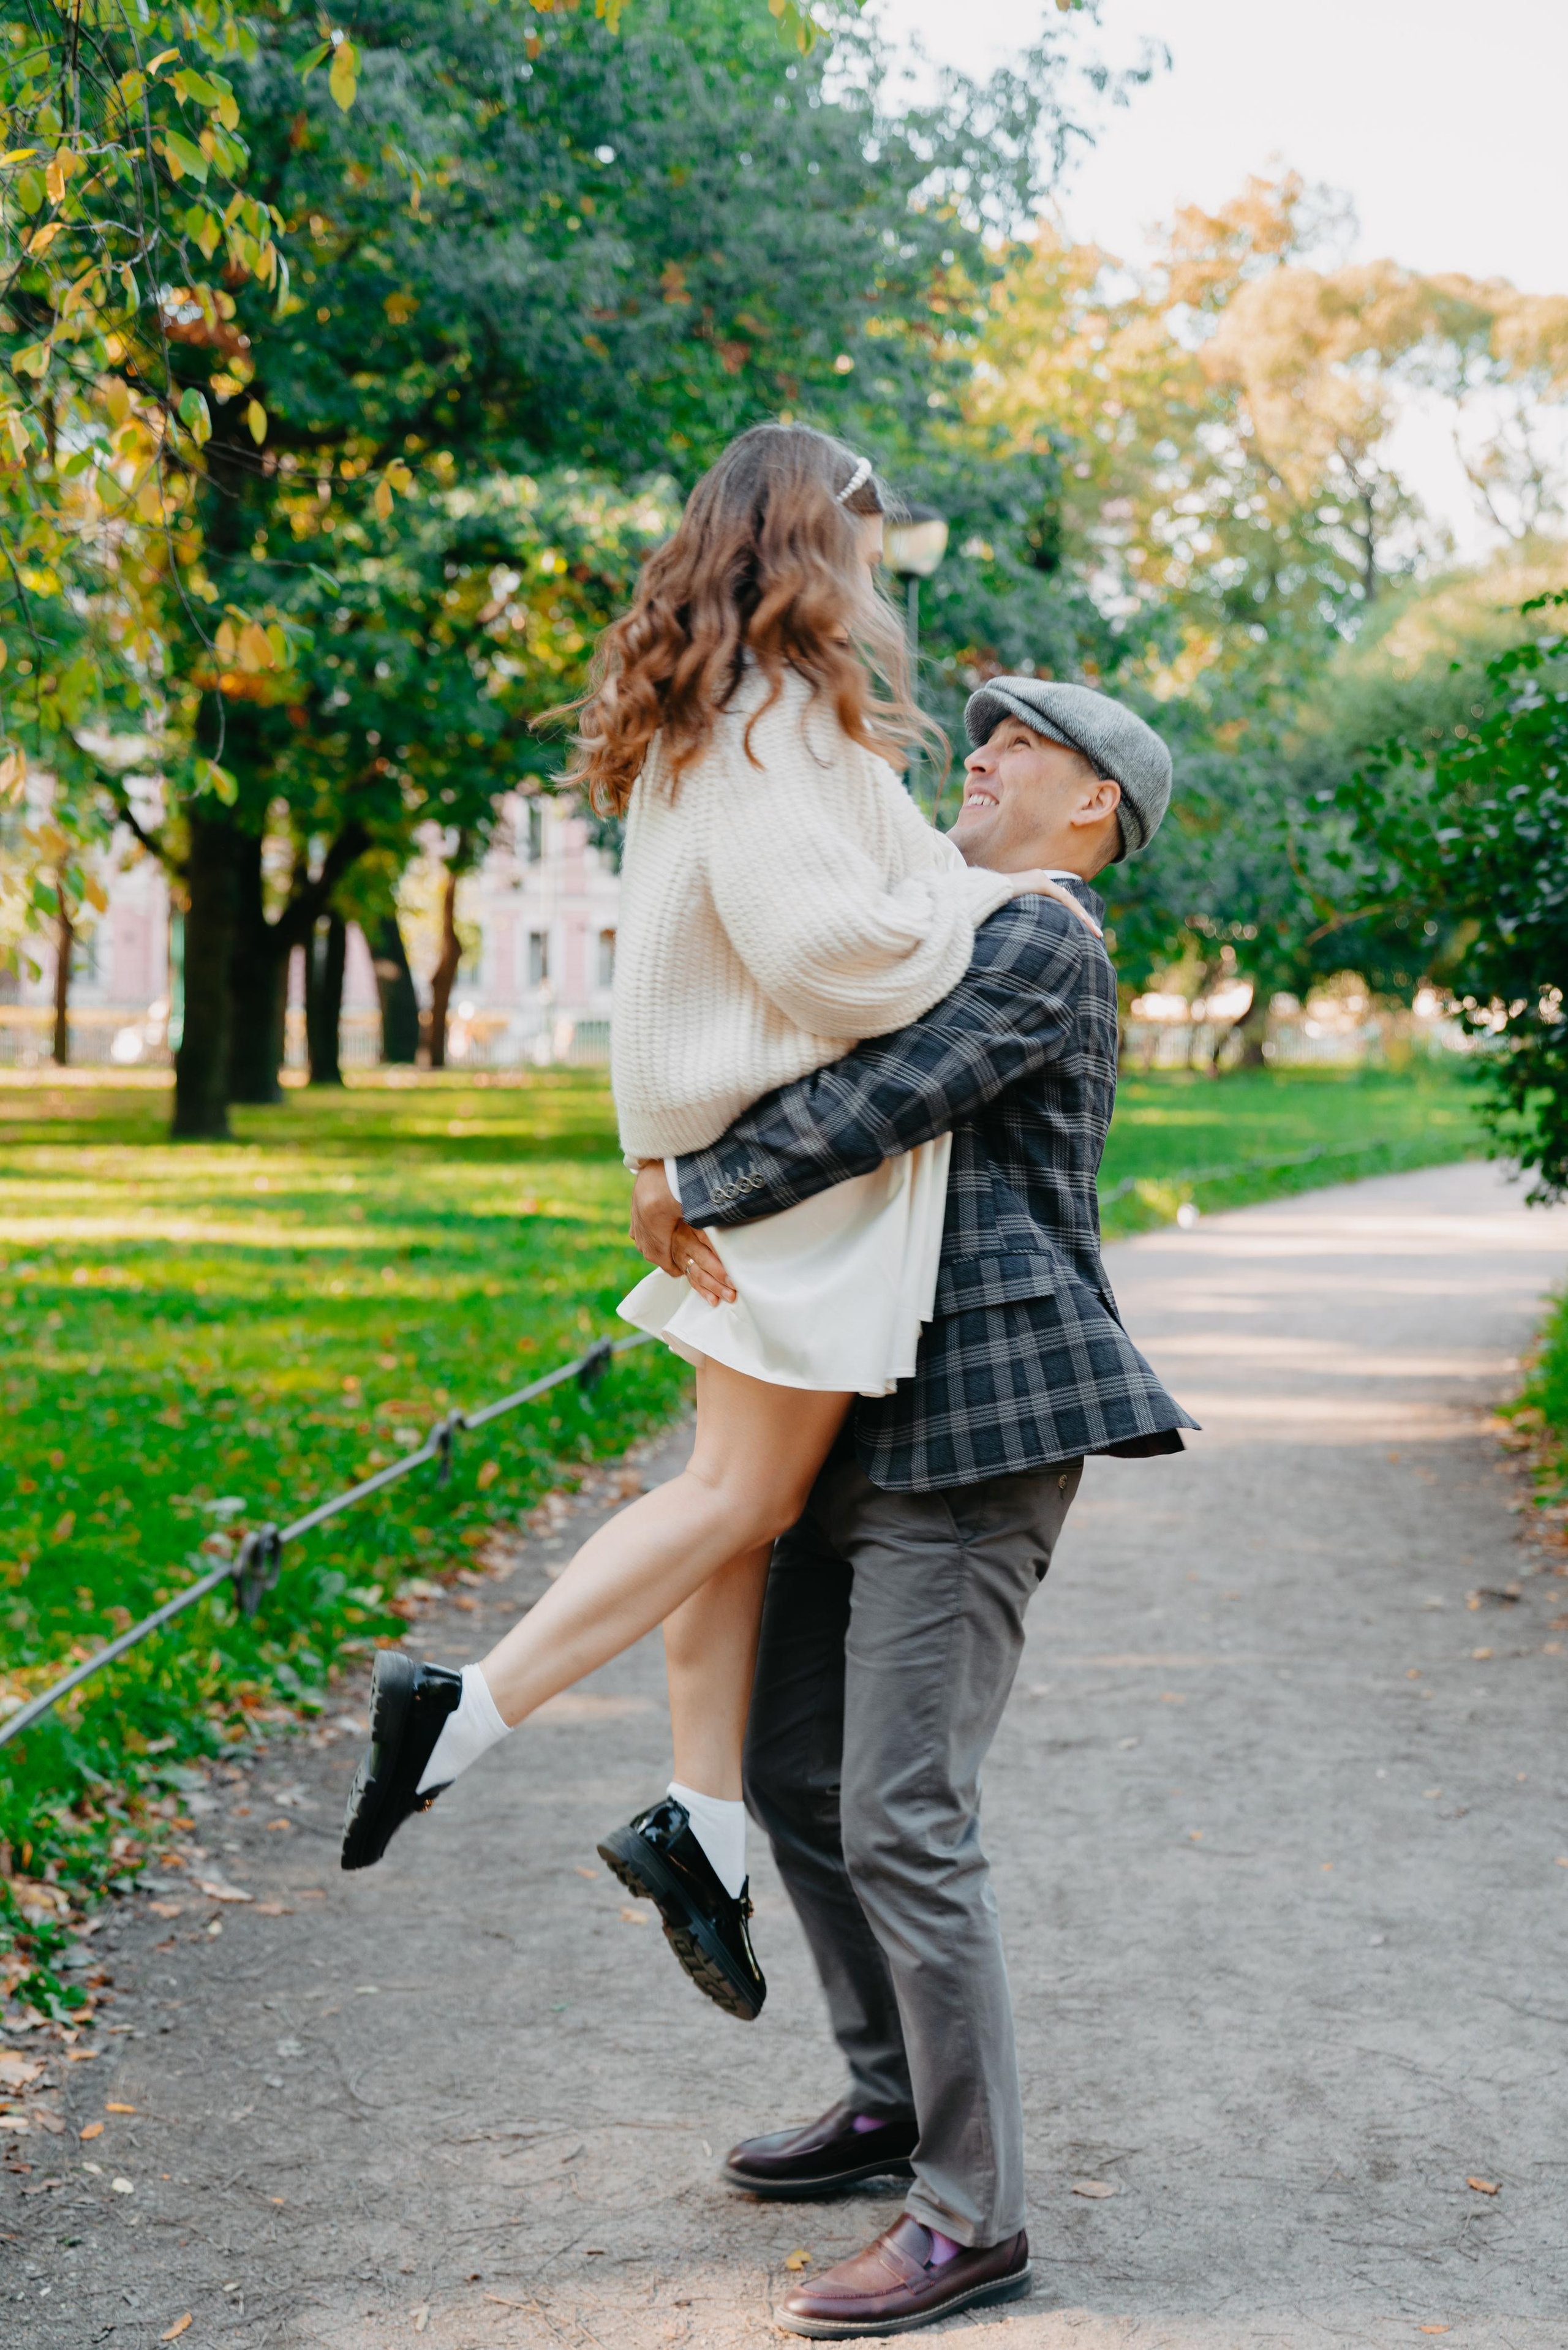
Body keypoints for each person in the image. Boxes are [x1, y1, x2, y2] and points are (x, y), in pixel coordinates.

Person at [337, 424, 1093, 2025]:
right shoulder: (768, 726)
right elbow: (838, 958)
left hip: (748, 1166)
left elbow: (832, 910)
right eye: (866, 532)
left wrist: (965, 887)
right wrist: (1009, 906)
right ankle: (460, 1712)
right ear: (812, 540)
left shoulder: (751, 717)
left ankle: (708, 1821)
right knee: (740, 1493)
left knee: (732, 1509)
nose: (882, 564)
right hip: (794, 1186)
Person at [628, 672, 1195, 2339]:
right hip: (850, 1408)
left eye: (1027, 744)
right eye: (990, 733)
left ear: (1095, 808)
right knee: (796, 1767)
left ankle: (974, 2211)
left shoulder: (1043, 936)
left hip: (983, 1423)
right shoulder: (932, 920)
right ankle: (888, 2099)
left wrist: (698, 1187)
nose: (990, 753)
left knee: (903, 1812)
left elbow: (880, 1100)